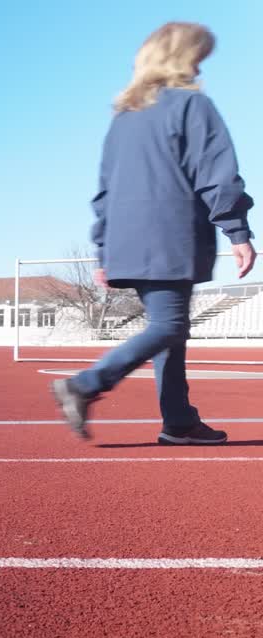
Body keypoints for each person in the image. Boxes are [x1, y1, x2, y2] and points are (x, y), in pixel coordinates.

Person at [52, 21, 256, 444]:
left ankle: (179, 421)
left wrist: (104, 250)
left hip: (129, 238)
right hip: (170, 235)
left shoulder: (124, 119)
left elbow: (105, 190)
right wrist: (237, 232)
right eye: (199, 57)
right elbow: (216, 176)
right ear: (183, 57)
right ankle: (85, 385)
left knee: (169, 328)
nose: (201, 67)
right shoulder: (192, 106)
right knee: (169, 326)